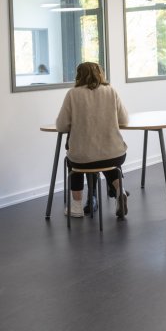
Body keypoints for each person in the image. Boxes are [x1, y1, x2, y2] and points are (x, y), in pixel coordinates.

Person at [56, 62, 130, 219]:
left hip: (83, 159)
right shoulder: (111, 91)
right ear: (100, 74)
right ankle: (120, 191)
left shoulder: (73, 94)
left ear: (78, 76)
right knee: (107, 161)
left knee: (74, 161)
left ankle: (76, 206)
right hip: (114, 154)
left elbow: (61, 125)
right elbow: (124, 120)